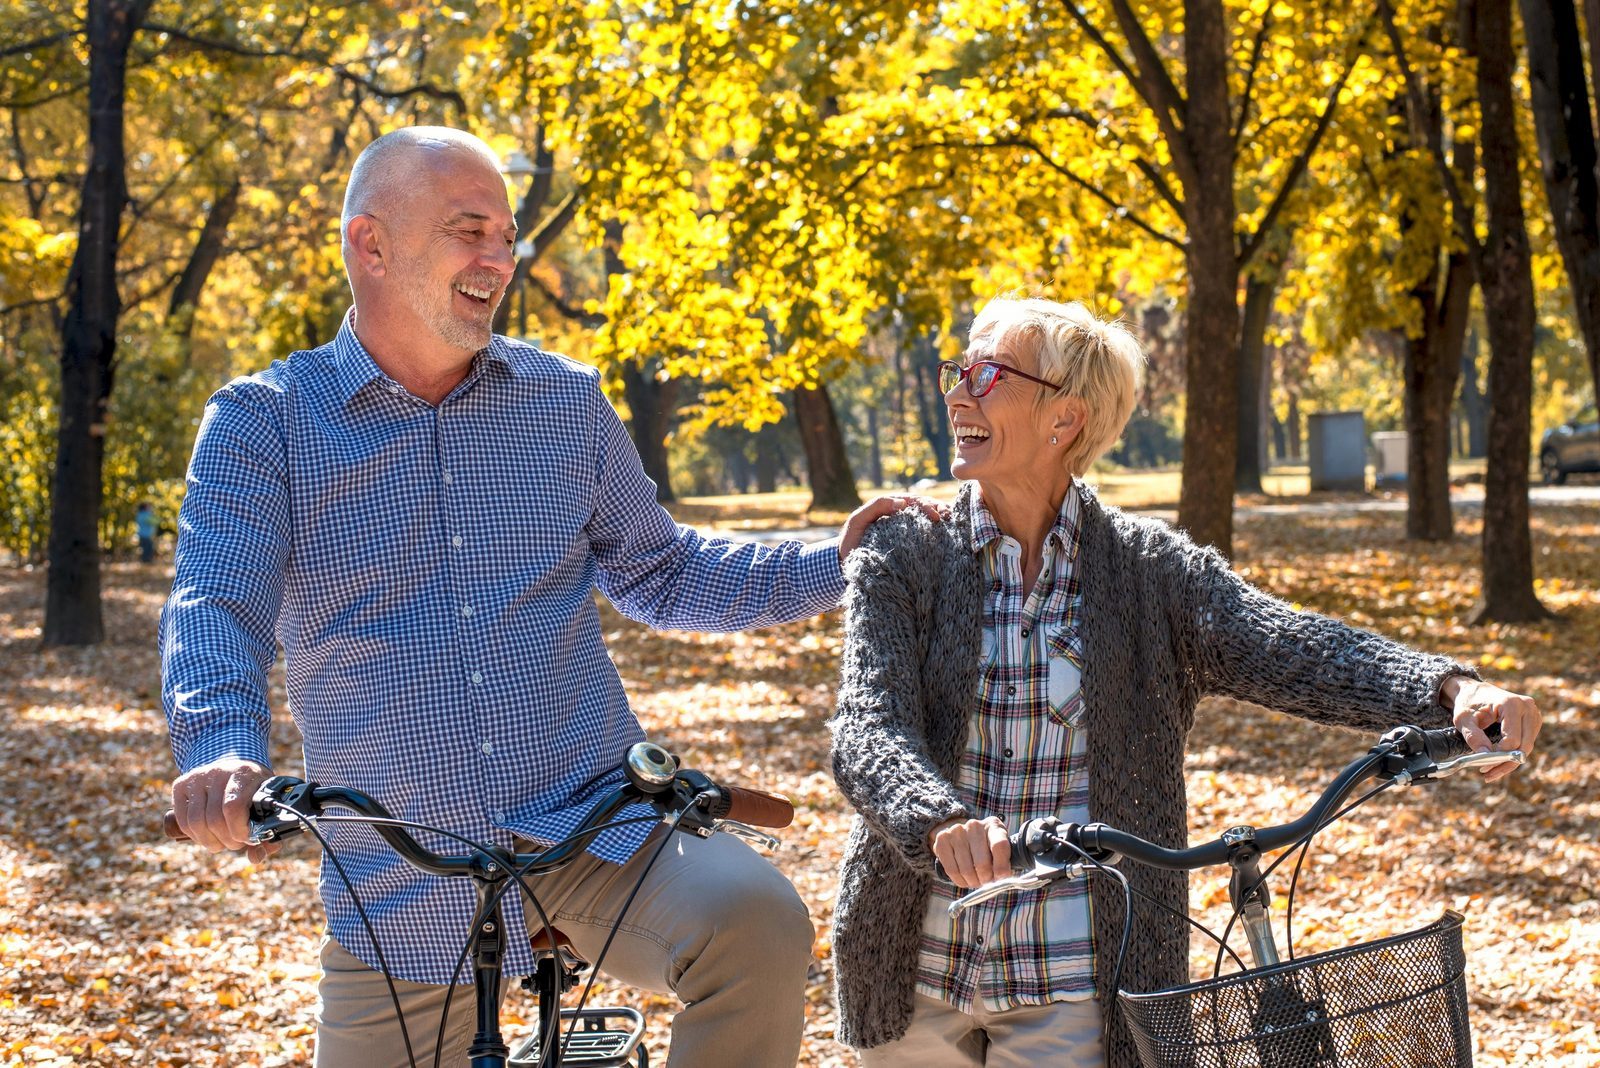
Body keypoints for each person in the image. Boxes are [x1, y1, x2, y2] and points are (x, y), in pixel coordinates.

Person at [161, 125, 928, 1068]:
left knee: (758, 922)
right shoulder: (265, 422)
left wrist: (837, 558)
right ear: (371, 244)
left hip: (594, 829)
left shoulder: (562, 401)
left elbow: (665, 569)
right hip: (398, 880)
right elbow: (216, 605)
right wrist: (220, 750)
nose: (500, 258)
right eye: (469, 230)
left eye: (507, 236)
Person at [826, 297, 1542, 1068]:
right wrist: (936, 819)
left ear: (1064, 419)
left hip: (1076, 984)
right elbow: (868, 724)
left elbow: (1289, 644)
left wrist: (1449, 690)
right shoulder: (908, 550)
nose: (959, 391)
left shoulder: (1149, 573)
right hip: (916, 970)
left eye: (988, 372)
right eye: (959, 370)